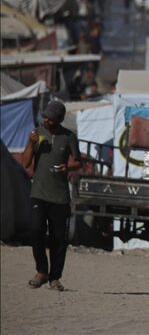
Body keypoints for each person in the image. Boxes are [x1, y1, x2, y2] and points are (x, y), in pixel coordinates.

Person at [20, 100, 82, 292]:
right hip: (38, 192)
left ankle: (55, 278)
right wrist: (31, 145)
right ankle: (41, 271)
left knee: (58, 239)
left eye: (50, 118)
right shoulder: (37, 134)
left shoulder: (69, 137)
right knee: (36, 230)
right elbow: (25, 163)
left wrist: (68, 167)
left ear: (60, 119)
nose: (46, 120)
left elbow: (79, 162)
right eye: (45, 116)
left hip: (60, 196)